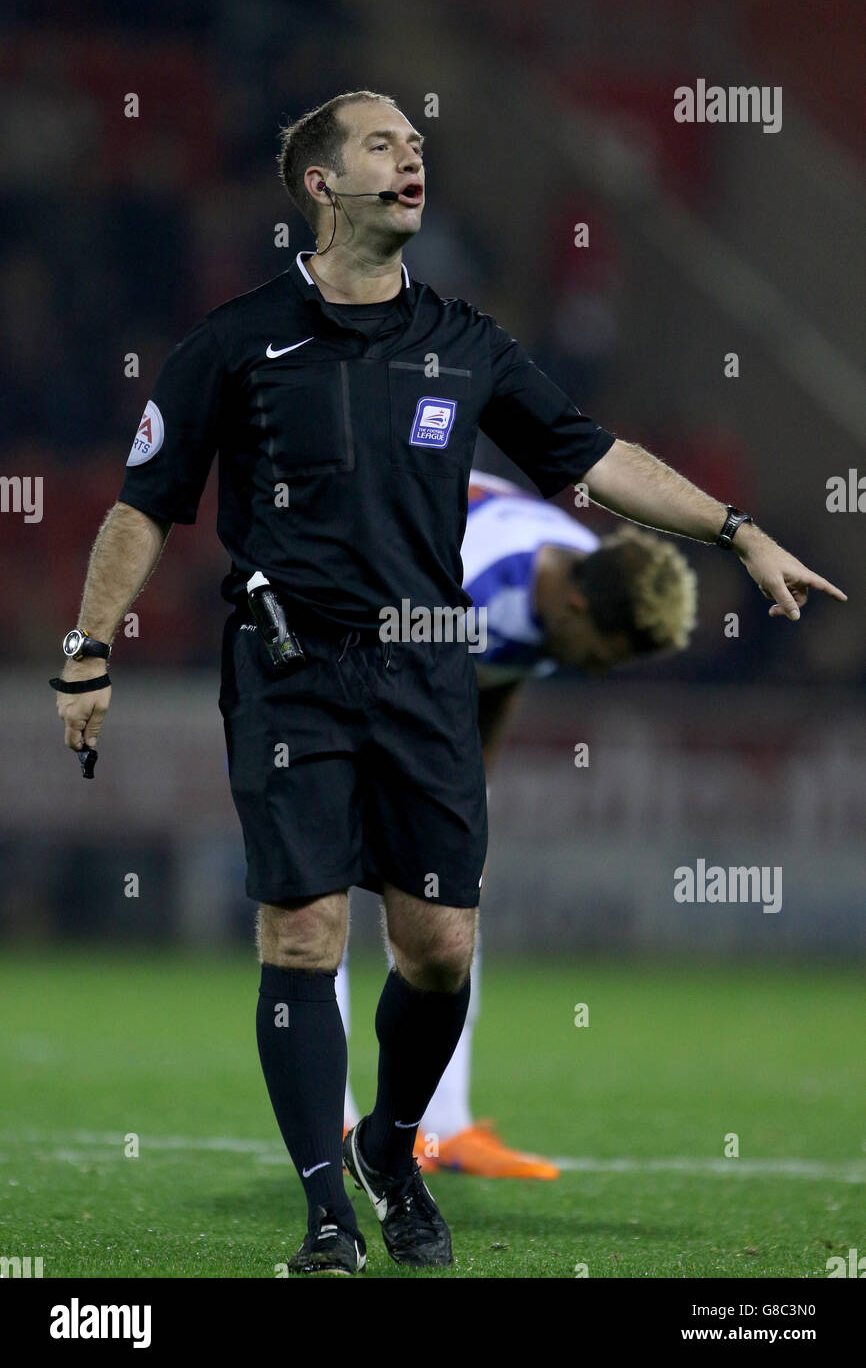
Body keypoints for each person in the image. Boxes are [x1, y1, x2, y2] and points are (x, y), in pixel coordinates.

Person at [51, 91, 846, 1276]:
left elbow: (593, 458)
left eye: (417, 143)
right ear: (320, 184)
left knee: (436, 948)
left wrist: (732, 529)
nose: (411, 157)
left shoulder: (468, 343)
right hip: (288, 669)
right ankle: (327, 1210)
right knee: (305, 931)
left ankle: (389, 1138)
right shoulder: (233, 342)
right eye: (382, 144)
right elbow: (143, 506)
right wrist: (87, 647)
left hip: (424, 668)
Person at [338, 468, 698, 1179]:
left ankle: (445, 1130)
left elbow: (500, 679)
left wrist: (469, 804)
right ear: (574, 607)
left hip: (419, 644)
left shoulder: (574, 576)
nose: (600, 671)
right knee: (325, 900)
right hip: (350, 638)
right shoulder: (472, 585)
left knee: (452, 902)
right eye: (609, 653)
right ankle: (337, 1123)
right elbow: (376, 671)